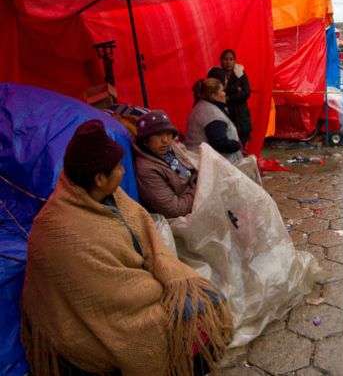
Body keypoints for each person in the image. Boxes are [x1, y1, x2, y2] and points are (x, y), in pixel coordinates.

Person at [21, 120, 232, 376]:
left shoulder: (111, 197)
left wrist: (173, 280)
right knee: (185, 330)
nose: (123, 171)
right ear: (100, 178)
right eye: (119, 168)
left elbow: (151, 244)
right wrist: (165, 293)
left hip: (134, 286)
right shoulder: (61, 231)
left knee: (207, 303)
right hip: (93, 323)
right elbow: (111, 295)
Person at [133, 110, 198, 219]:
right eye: (158, 135)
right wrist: (199, 189)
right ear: (145, 140)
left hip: (191, 203)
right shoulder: (147, 169)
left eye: (168, 134)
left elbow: (188, 175)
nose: (165, 140)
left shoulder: (167, 152)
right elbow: (174, 209)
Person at [186, 78, 244, 165]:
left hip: (200, 159)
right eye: (222, 91)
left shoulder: (202, 106)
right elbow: (220, 143)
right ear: (213, 95)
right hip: (209, 164)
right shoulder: (212, 114)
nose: (224, 94)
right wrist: (237, 145)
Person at [208, 49, 251, 147]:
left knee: (243, 135)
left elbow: (246, 93)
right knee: (229, 136)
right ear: (221, 60)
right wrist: (236, 89)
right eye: (225, 59)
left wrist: (228, 97)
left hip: (241, 112)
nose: (228, 62)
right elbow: (215, 93)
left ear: (235, 61)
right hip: (225, 112)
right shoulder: (216, 73)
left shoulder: (240, 73)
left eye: (231, 59)